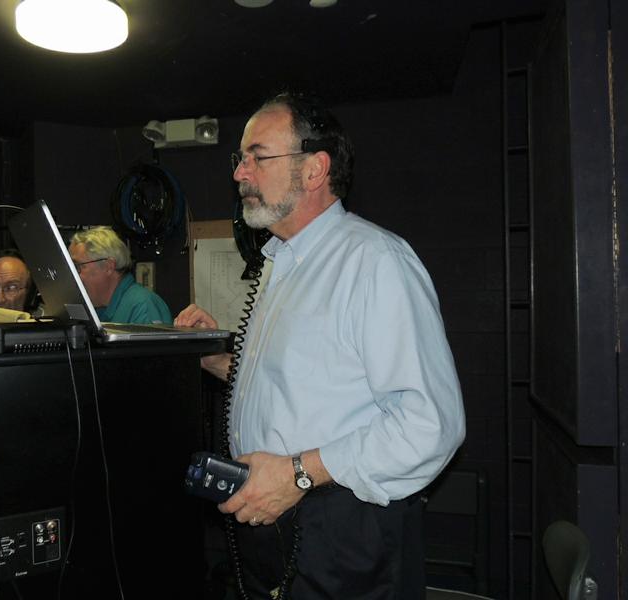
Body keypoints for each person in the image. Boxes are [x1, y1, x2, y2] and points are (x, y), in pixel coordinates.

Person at [175, 92, 466, 599]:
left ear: (314, 170)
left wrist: (296, 475)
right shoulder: (282, 262)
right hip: (276, 519)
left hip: (340, 531)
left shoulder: (374, 261)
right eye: (240, 159)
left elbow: (430, 425)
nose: (240, 174)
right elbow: (312, 385)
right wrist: (223, 362)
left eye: (257, 157)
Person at [69, 226, 172, 325]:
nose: (73, 277)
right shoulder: (99, 310)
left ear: (108, 266)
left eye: (78, 267)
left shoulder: (143, 307)